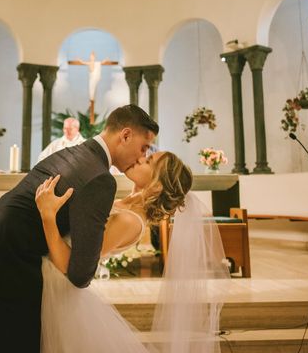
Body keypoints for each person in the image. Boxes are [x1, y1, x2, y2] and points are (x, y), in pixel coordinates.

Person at [0, 104, 158, 353]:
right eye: (144, 147)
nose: (142, 157)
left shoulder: (75, 153)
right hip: (8, 269)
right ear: (126, 135)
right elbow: (80, 274)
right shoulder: (100, 178)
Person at [36, 151, 231, 352]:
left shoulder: (130, 221)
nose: (139, 158)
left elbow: (68, 266)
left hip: (56, 287)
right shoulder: (124, 203)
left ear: (156, 185)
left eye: (148, 161)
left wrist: (48, 216)